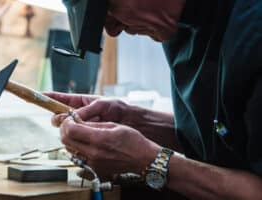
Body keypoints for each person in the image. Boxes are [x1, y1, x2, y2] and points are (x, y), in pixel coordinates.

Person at [45, 0, 262, 199]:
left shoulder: (253, 29)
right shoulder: (178, 26)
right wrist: (134, 120)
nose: (112, 31)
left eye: (110, 7)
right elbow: (228, 135)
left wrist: (150, 161)